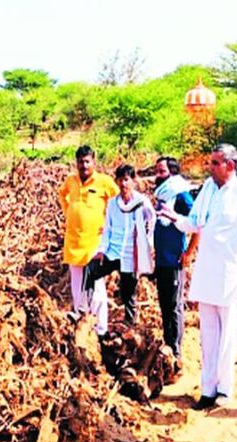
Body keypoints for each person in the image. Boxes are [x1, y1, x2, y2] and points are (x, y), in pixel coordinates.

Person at [158, 143, 237, 410]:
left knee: (228, 334)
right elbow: (195, 222)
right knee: (208, 334)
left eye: (216, 163)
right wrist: (174, 218)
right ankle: (207, 389)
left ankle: (224, 390)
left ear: (230, 166)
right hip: (207, 269)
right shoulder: (208, 188)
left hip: (230, 270)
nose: (210, 168)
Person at [82, 164, 155, 331]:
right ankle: (86, 311)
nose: (123, 184)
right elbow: (107, 228)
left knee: (128, 292)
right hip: (113, 252)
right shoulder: (113, 204)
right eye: (120, 180)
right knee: (90, 270)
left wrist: (147, 244)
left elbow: (152, 221)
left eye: (127, 179)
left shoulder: (141, 202)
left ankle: (131, 325)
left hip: (131, 254)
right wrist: (101, 250)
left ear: (133, 181)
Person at [58, 145, 119, 334]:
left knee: (97, 287)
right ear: (76, 162)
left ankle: (101, 329)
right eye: (80, 161)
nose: (83, 165)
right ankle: (80, 319)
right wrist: (68, 212)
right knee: (77, 285)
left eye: (87, 161)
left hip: (95, 242)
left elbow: (118, 201)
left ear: (94, 162)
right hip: (74, 240)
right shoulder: (71, 181)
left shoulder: (104, 182)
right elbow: (62, 195)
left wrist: (111, 224)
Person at [153, 156, 199, 370]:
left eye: (162, 171)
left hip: (174, 260)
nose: (158, 175)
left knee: (174, 306)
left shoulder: (181, 195)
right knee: (164, 305)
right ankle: (167, 345)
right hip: (161, 259)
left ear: (171, 173)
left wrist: (189, 252)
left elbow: (197, 224)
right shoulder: (161, 196)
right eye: (157, 171)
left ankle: (176, 350)